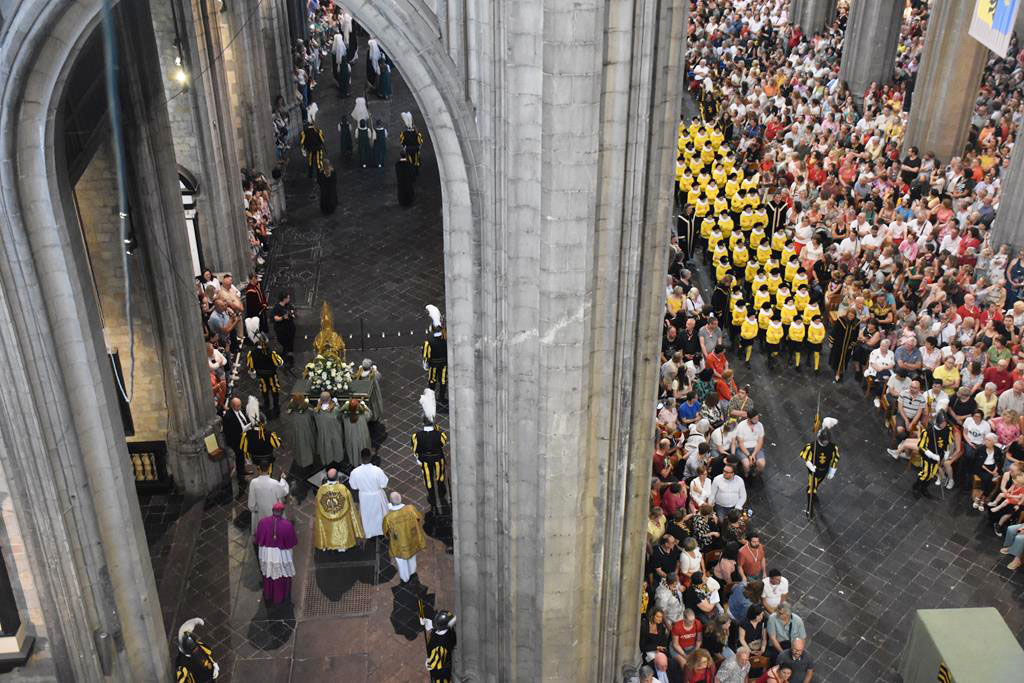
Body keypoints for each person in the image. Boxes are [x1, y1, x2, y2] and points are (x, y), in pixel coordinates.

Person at [412, 389, 450, 515]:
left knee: (428, 478)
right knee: (440, 476)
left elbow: (415, 449)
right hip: (438, 458)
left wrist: (418, 458)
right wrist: (437, 429)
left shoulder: (416, 435)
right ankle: (441, 492)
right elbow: (443, 442)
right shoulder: (439, 434)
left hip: (425, 460)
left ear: (423, 422)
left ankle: (432, 496)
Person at [255, 501, 298, 604]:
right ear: (282, 512)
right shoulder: (287, 525)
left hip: (267, 553)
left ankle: (269, 593)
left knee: (268, 574)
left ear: (272, 511)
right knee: (282, 575)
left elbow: (258, 539)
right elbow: (292, 543)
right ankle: (281, 594)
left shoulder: (262, 522)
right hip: (281, 554)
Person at [313, 468, 364, 552]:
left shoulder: (321, 491)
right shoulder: (343, 489)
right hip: (343, 521)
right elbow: (351, 508)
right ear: (337, 477)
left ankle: (329, 544)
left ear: (327, 477)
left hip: (328, 522)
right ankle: (344, 545)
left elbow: (319, 510)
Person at [381, 492, 427, 583]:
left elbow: (385, 531)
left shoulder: (388, 517)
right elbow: (420, 518)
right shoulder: (411, 509)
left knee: (401, 561)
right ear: (400, 499)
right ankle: (412, 571)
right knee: (412, 556)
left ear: (391, 502)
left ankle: (405, 578)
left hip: (399, 544)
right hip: (412, 539)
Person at [798, 417, 840, 518]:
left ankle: (814, 490)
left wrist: (832, 471)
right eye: (824, 441)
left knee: (816, 485)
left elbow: (835, 458)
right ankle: (809, 508)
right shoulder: (812, 446)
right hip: (814, 471)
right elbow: (803, 455)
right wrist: (809, 464)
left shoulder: (833, 447)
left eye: (827, 441)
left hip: (824, 470)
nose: (825, 443)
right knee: (811, 490)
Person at [348, 449, 389, 539]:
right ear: (370, 457)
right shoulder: (377, 470)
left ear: (361, 458)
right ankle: (382, 530)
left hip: (364, 498)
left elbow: (353, 486)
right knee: (380, 514)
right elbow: (384, 484)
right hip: (377, 496)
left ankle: (369, 533)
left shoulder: (355, 472)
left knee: (367, 516)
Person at [246, 461, 289, 538]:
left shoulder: (253, 483)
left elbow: (251, 505)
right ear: (269, 468)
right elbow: (284, 491)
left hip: (260, 514)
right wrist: (283, 479)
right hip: (273, 514)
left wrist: (257, 509)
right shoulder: (274, 483)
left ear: (259, 468)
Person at [246, 334, 284, 418]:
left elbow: (250, 366)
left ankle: (267, 407)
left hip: (261, 376)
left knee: (264, 391)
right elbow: (279, 363)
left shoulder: (252, 353)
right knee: (274, 391)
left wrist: (254, 373)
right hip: (272, 376)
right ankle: (276, 408)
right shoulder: (271, 353)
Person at [222, 396, 254, 489]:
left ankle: (242, 468)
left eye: (240, 405)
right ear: (232, 406)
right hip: (236, 441)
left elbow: (244, 418)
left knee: (243, 455)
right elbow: (228, 432)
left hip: (244, 436)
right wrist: (240, 432)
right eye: (238, 406)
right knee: (239, 456)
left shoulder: (240, 409)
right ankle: (240, 474)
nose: (240, 407)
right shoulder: (228, 417)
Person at [175, 618, 219, 682]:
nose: (196, 650)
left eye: (195, 647)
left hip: (210, 676)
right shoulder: (182, 663)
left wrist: (215, 665)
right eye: (193, 649)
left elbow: (209, 652)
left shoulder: (198, 645)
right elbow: (181, 680)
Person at [421, 610, 457, 682]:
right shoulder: (449, 631)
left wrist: (428, 662)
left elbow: (431, 665)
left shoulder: (439, 648)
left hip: (441, 672)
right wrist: (426, 622)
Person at [424, 304, 449, 407]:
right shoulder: (445, 338)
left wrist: (426, 362)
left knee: (432, 380)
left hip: (433, 363)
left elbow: (426, 354)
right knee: (443, 380)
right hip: (444, 362)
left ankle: (431, 398)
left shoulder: (429, 340)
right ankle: (442, 398)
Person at [312, 392, 346, 466]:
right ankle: (338, 461)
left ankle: (327, 461)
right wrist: (336, 403)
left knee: (326, 448)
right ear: (330, 399)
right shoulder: (335, 410)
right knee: (336, 447)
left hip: (324, 434)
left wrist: (319, 404)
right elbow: (340, 416)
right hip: (335, 433)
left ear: (320, 400)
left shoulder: (316, 411)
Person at [827, 309, 860, 383]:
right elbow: (834, 331)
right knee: (836, 358)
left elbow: (856, 335)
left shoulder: (856, 323)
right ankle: (836, 372)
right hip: (838, 344)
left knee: (845, 359)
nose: (851, 317)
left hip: (848, 346)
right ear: (847, 314)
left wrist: (852, 345)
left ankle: (840, 372)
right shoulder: (841, 320)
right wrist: (831, 342)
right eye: (850, 315)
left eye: (852, 315)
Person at [340, 399, 373, 469]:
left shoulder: (345, 416)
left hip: (351, 437)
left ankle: (354, 462)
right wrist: (365, 406)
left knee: (353, 449)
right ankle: (363, 461)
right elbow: (369, 415)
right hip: (361, 437)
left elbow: (341, 415)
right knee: (362, 447)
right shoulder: (362, 415)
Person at [734, 411, 766, 477]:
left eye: (758, 418)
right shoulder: (741, 426)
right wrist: (749, 456)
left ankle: (755, 474)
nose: (757, 420)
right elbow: (741, 444)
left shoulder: (760, 425)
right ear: (749, 418)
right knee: (746, 464)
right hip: (743, 448)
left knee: (762, 464)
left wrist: (754, 454)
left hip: (755, 447)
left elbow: (760, 442)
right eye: (755, 419)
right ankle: (746, 474)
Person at [270, 292, 296, 365]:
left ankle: (289, 357)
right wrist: (282, 317)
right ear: (284, 299)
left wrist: (292, 314)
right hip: (282, 329)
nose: (289, 299)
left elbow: (293, 312)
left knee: (290, 343)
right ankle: (284, 358)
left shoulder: (289, 305)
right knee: (284, 343)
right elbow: (275, 317)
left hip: (290, 328)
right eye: (288, 298)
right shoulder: (277, 307)